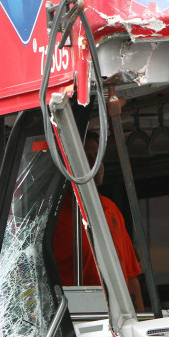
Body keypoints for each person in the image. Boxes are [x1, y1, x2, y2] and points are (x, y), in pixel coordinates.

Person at [53, 132, 146, 311]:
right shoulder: (54, 219)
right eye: (88, 157)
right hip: (75, 319)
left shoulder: (111, 210)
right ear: (69, 163)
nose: (97, 164)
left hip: (118, 317)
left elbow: (131, 274)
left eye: (98, 156)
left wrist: (141, 321)